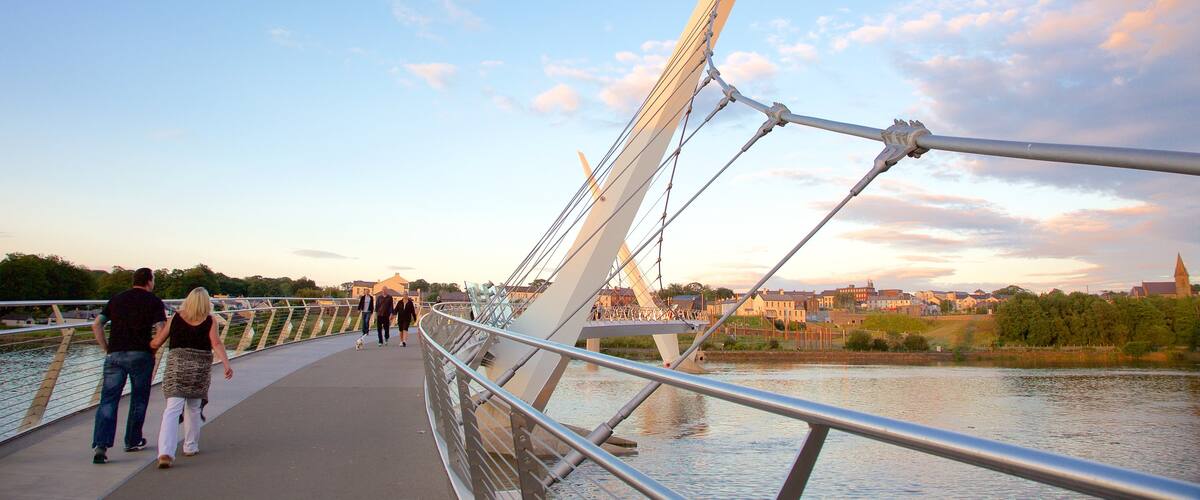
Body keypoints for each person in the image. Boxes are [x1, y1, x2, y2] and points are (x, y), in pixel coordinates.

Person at [148, 287, 232, 469]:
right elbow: (215, 343)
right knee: (193, 407)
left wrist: (146, 346)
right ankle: (190, 446)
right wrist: (226, 363)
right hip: (199, 369)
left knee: (172, 409)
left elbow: (158, 341)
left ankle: (166, 452)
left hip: (177, 367)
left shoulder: (176, 318)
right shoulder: (210, 320)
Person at [91, 268, 166, 464]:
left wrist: (106, 347)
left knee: (108, 400)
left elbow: (97, 324)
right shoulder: (154, 301)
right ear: (149, 281)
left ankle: (101, 445)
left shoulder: (116, 299)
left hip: (115, 354)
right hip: (141, 354)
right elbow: (161, 329)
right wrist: (153, 348)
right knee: (139, 399)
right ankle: (132, 440)